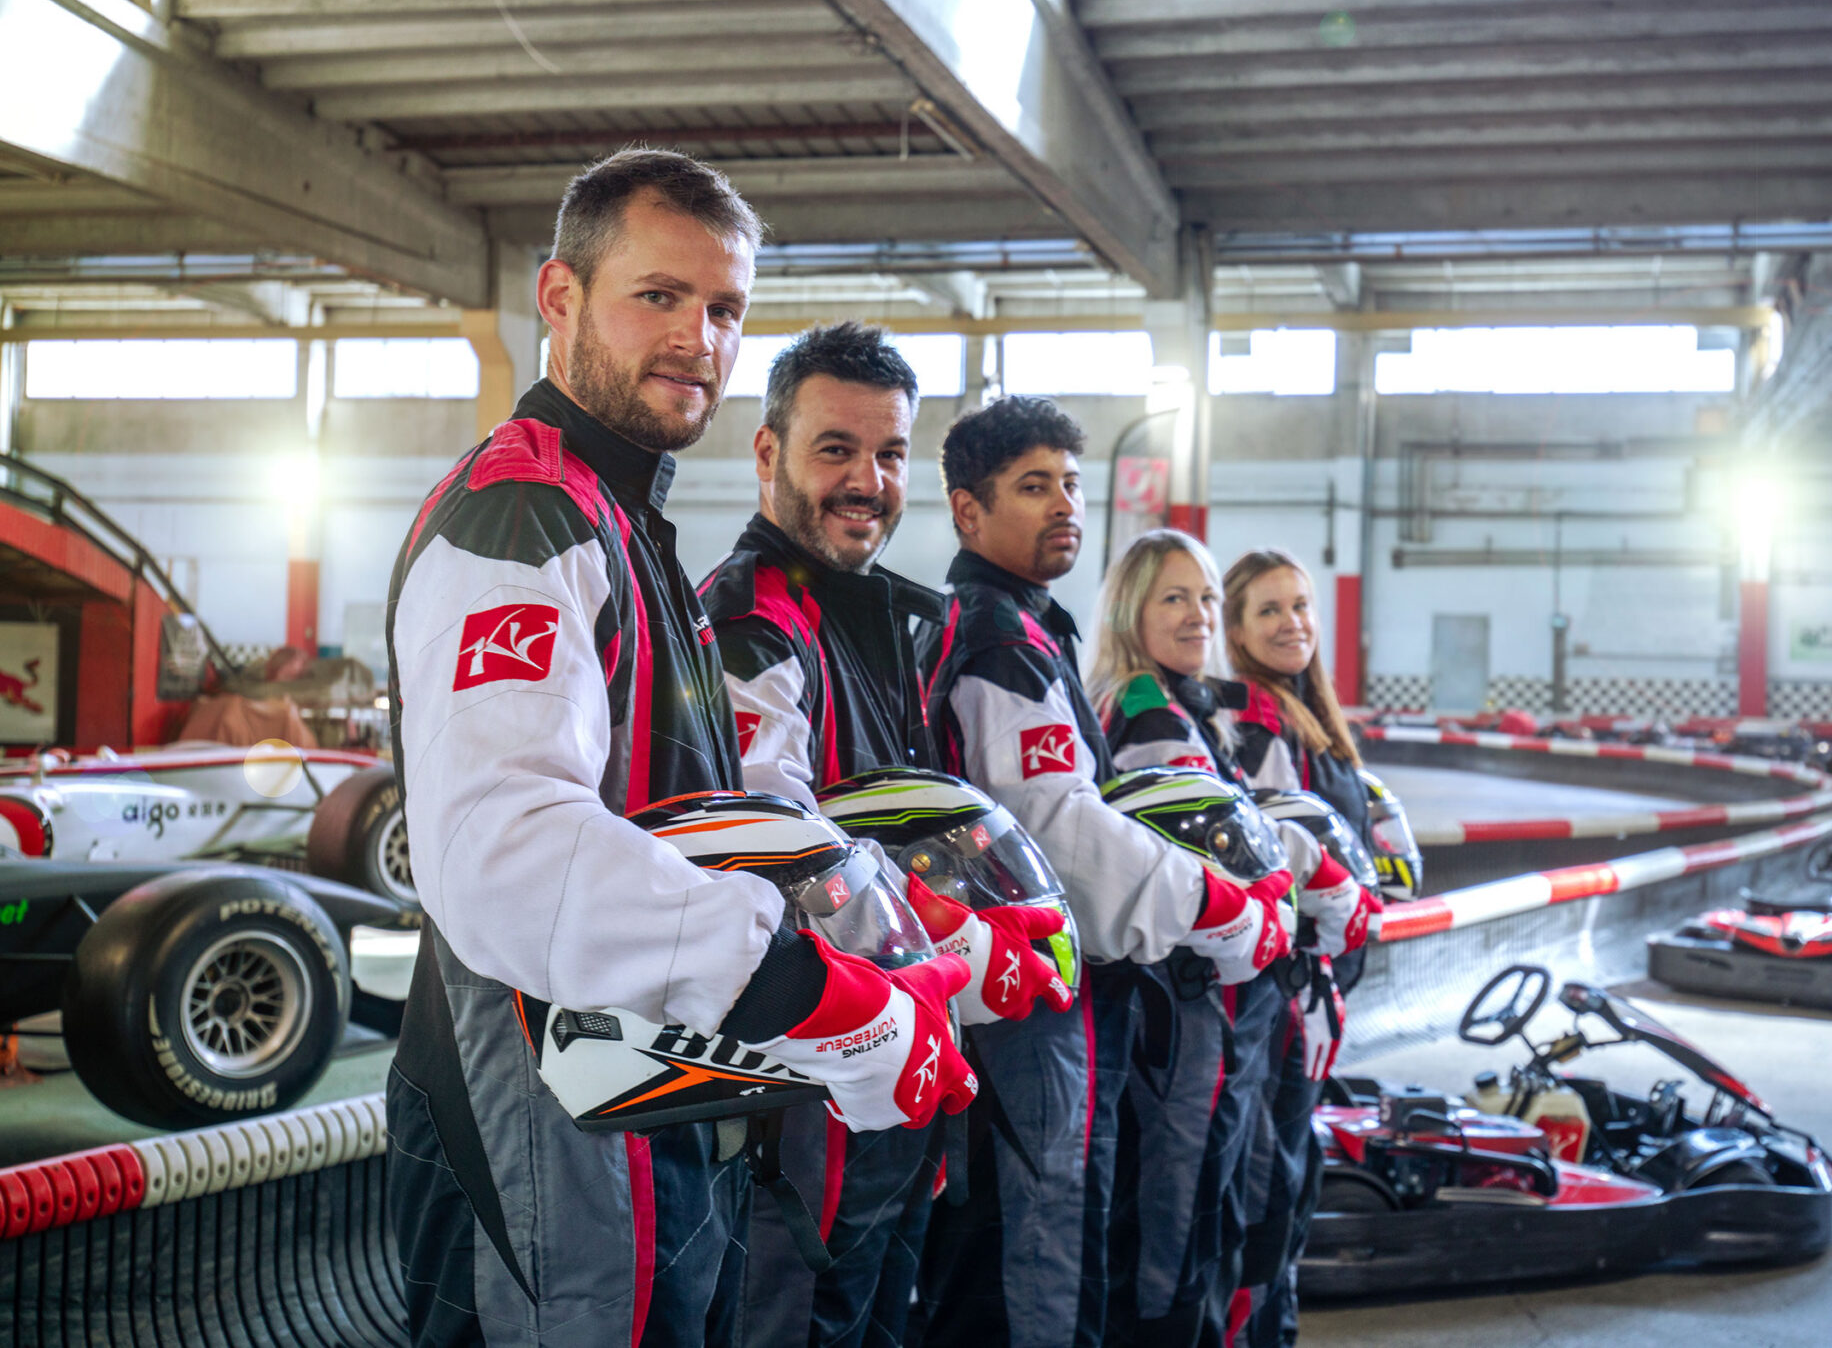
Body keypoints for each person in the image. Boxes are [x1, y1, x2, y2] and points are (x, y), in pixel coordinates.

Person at [383, 151, 972, 1348]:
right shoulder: (522, 513)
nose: (698, 339)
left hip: (648, 1098)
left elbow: (713, 819)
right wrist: (807, 994)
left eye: (723, 310)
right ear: (558, 299)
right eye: (658, 296)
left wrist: (886, 934)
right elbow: (505, 850)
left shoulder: (626, 524)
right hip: (538, 1112)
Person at [698, 322, 1067, 1347]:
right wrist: (963, 944)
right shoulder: (751, 624)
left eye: (889, 454)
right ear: (767, 455)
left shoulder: (862, 616)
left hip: (895, 1065)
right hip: (801, 1091)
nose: (867, 480)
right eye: (835, 450)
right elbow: (775, 856)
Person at [921, 397, 1293, 1348]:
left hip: (1037, 1004)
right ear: (968, 511)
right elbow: (1058, 837)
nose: (1064, 505)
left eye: (1073, 484)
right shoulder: (1000, 643)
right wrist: (1215, 900)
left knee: (1052, 1250)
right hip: (1030, 1010)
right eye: (1033, 486)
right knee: (1039, 1270)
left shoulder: (1022, 629)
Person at [1087, 529, 1353, 1348]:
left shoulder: (1178, 702)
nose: (1198, 613)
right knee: (1182, 1238)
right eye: (1177, 597)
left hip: (1210, 1007)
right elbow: (1225, 851)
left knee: (1213, 1221)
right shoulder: (1144, 706)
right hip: (1189, 1010)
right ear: (1133, 609)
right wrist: (1321, 875)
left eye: (1205, 595)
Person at [1222, 547, 1386, 1347]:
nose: (1293, 623)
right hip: (1283, 990)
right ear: (1236, 628)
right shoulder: (1255, 721)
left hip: (1317, 988)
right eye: (1270, 610)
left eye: (1302, 606)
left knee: (1287, 1176)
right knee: (1268, 1185)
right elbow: (1270, 861)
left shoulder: (1306, 714)